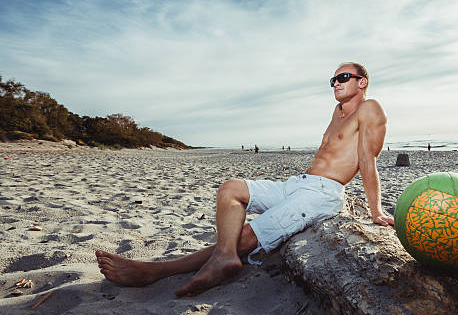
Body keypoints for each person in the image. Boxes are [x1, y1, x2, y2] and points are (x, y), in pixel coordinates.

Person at [95, 62, 394, 297]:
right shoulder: (337, 111)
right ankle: (224, 257)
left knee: (248, 235)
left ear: (361, 81)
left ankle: (155, 271)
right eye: (333, 80)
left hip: (323, 193)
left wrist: (377, 210)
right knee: (230, 189)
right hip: (299, 183)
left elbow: (368, 160)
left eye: (342, 77)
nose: (335, 84)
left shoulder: (370, 108)